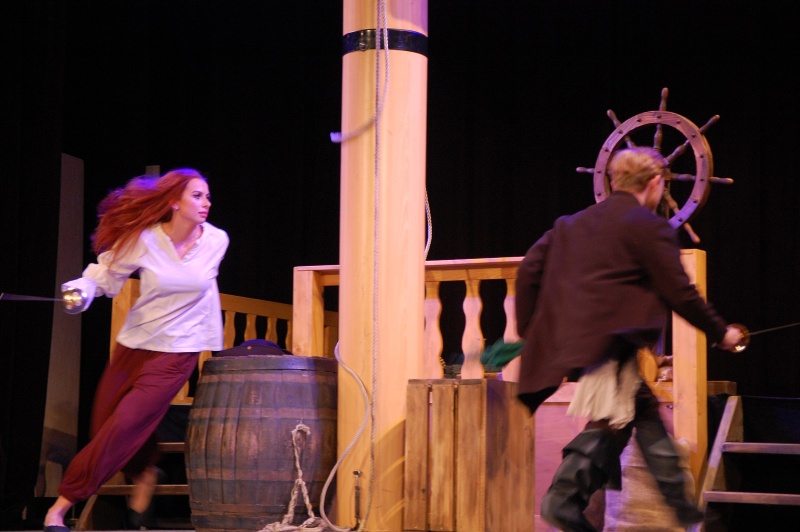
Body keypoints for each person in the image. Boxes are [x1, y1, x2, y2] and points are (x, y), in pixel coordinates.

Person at [514, 146, 743, 532]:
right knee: (616, 419)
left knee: (640, 411)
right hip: (613, 341)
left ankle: (683, 508)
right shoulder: (648, 226)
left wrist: (532, 329)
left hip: (581, 344)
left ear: (615, 180)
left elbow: (528, 272)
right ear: (654, 183)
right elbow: (681, 293)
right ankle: (563, 498)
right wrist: (722, 332)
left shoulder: (570, 224)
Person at [43, 168, 229, 532]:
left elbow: (199, 290)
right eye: (197, 195)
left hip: (178, 352)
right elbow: (105, 274)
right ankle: (145, 471)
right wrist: (81, 292)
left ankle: (60, 507)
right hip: (135, 344)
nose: (206, 202)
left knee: (125, 424)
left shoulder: (216, 240)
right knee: (103, 423)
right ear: (173, 201)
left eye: (207, 196)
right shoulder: (146, 240)